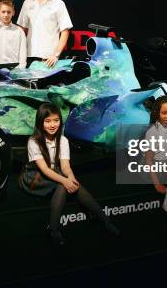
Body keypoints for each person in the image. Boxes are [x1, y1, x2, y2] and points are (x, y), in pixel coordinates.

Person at [19, 103, 119, 246]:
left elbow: (65, 166)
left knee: (70, 182)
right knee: (63, 184)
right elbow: (44, 170)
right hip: (35, 177)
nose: (52, 125)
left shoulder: (63, 140)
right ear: (40, 122)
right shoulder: (33, 141)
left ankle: (104, 220)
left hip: (53, 172)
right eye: (48, 121)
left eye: (56, 120)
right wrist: (66, 181)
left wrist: (71, 178)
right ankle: (55, 229)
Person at [17, 0, 72, 67]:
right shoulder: (27, 2)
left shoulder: (58, 4)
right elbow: (22, 30)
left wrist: (55, 55)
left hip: (49, 59)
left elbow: (65, 32)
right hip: (29, 57)